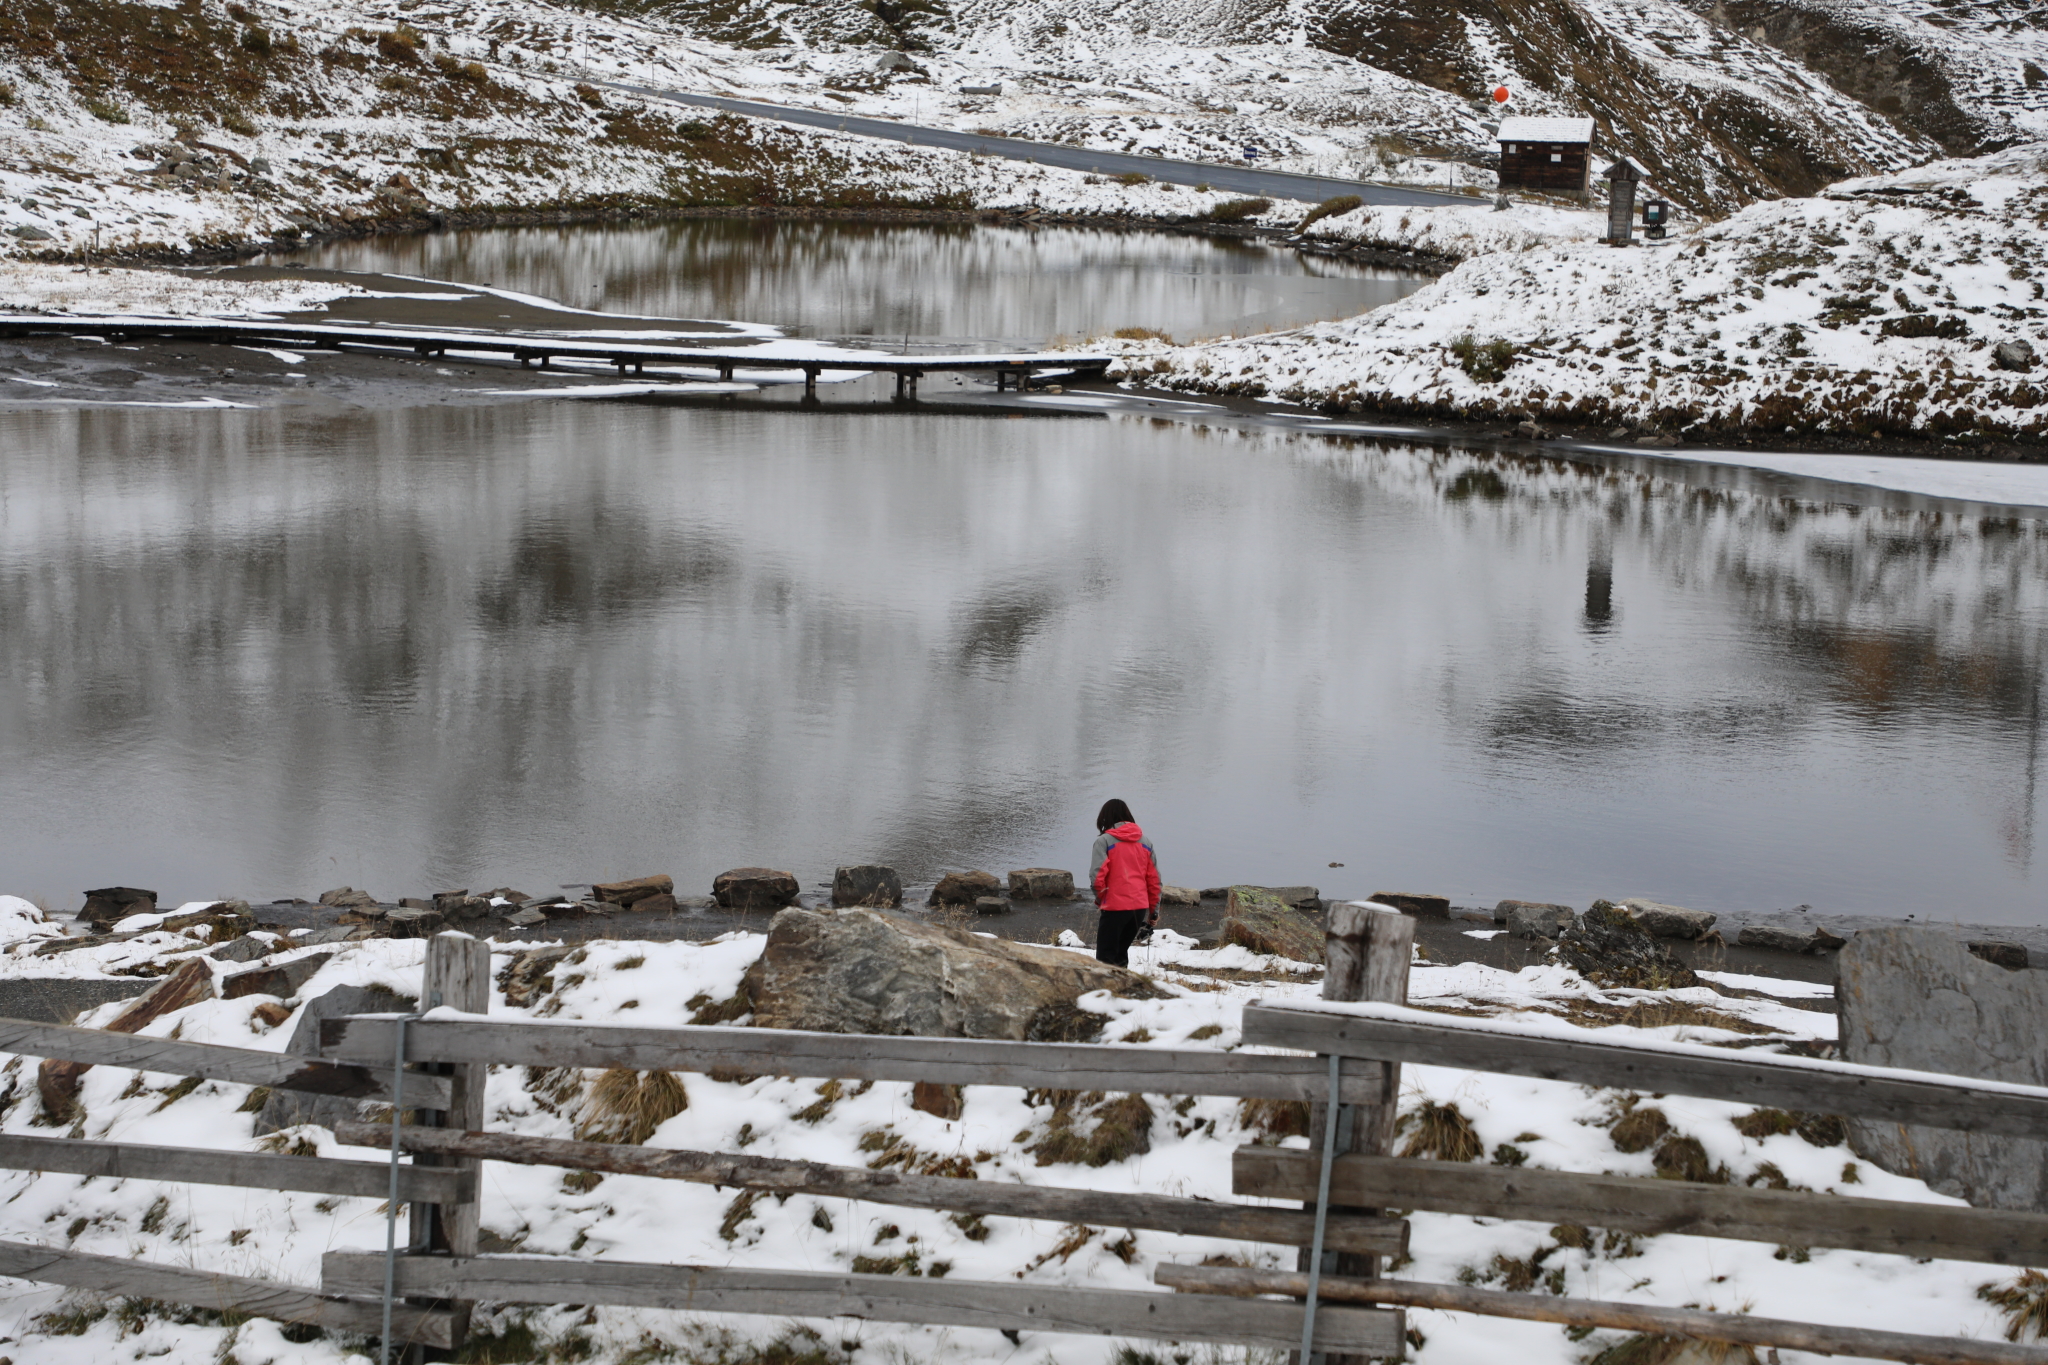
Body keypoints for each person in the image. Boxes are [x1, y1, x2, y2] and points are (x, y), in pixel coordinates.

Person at [1088, 798, 1160, 967]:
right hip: (1139, 908)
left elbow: (1097, 876)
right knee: (1121, 956)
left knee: (1105, 958)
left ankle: (1107, 992)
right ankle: (1122, 990)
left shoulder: (1104, 841)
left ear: (1104, 818)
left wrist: (1101, 900)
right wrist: (1153, 911)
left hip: (1115, 906)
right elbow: (1154, 880)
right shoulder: (1146, 842)